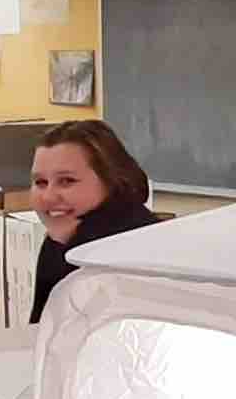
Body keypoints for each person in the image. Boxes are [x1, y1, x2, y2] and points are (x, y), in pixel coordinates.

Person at [27, 118, 159, 322]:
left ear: (111, 179)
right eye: (40, 182)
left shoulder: (121, 246)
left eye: (67, 181)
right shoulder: (66, 236)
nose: (48, 196)